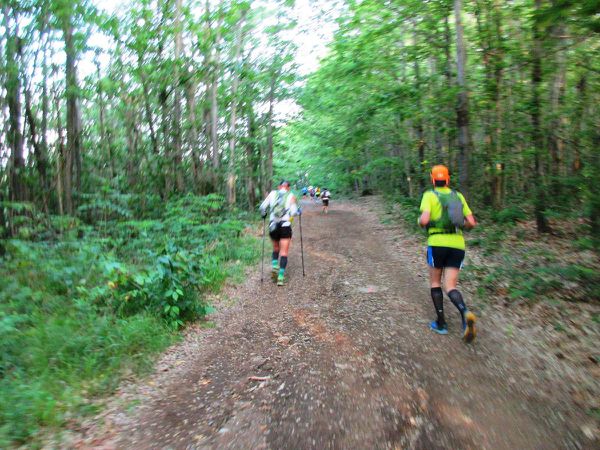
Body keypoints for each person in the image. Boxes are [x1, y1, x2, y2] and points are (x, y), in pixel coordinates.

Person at [418, 165, 477, 342]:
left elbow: (425, 220)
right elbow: (472, 222)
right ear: (448, 179)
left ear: (433, 179)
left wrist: (421, 221)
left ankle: (441, 323)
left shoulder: (429, 195)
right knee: (450, 286)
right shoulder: (458, 196)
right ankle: (465, 313)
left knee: (435, 282)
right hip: (457, 244)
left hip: (437, 243)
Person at [259, 180, 300, 286]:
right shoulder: (291, 196)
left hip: (273, 225)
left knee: (275, 248)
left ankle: (274, 266)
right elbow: (294, 212)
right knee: (284, 252)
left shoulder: (272, 194)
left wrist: (264, 214)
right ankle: (281, 277)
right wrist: (298, 211)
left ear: (279, 187)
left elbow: (262, 207)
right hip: (285, 226)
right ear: (288, 188)